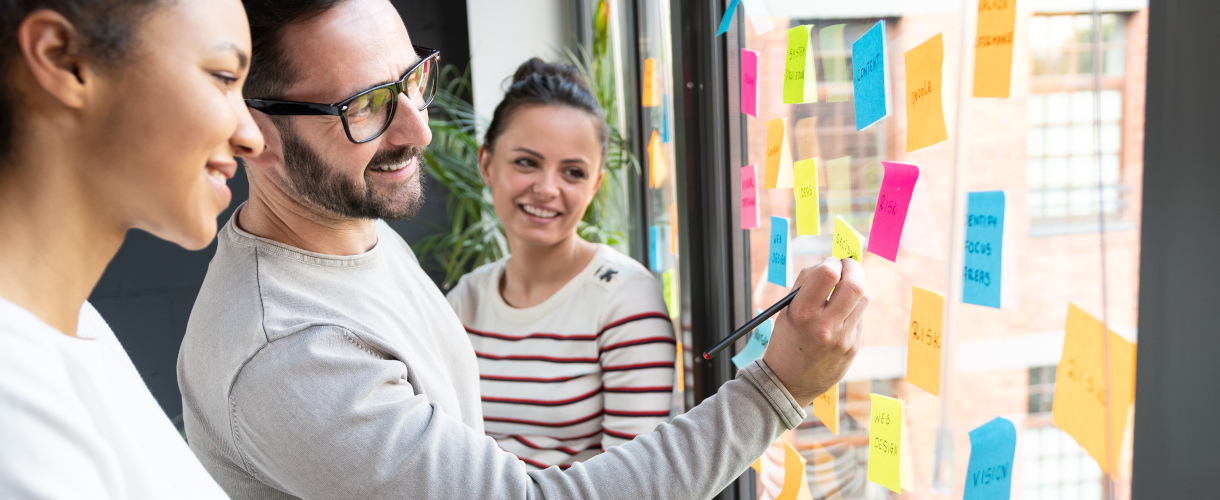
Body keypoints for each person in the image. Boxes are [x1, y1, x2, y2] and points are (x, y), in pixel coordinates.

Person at [177, 0, 870, 498]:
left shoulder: (356, 234)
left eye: (412, 81)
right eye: (363, 106)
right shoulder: (293, 353)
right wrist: (778, 388)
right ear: (252, 133)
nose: (418, 130)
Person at [0, 0, 263, 497]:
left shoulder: (76, 325)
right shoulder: (12, 390)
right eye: (223, 78)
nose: (252, 137)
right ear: (63, 59)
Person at [445, 58, 676, 470]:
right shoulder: (466, 299)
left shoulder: (626, 299)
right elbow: (442, 450)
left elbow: (631, 481)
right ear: (487, 164)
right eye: (526, 162)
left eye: (572, 172)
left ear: (595, 185)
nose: (547, 188)